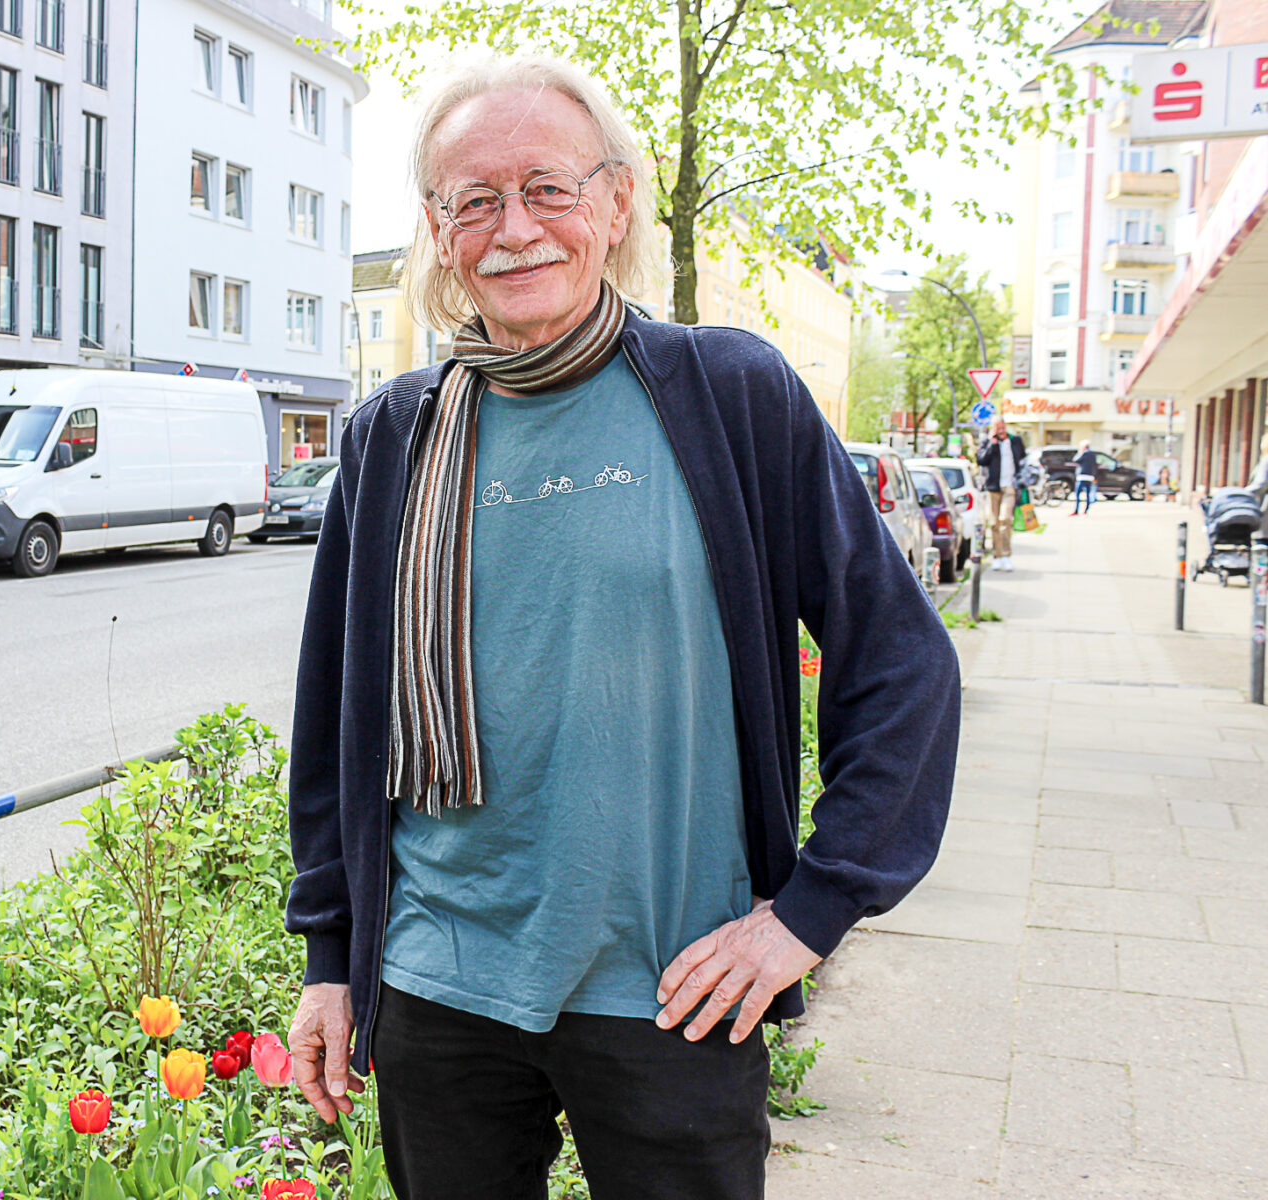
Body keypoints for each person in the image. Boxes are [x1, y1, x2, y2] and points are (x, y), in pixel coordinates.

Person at [283, 56, 960, 1200]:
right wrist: (332, 959)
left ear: (616, 201)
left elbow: (899, 661)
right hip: (440, 984)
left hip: (672, 989)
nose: (514, 228)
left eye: (548, 187)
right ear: (439, 232)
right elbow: (336, 714)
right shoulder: (394, 435)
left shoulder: (728, 392)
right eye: (474, 200)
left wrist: (813, 909)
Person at [976, 418, 1026, 570]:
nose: (1001, 430)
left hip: (1010, 486)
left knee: (1005, 520)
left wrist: (1022, 479)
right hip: (993, 487)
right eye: (998, 427)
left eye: (1003, 427)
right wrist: (992, 444)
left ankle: (1006, 555)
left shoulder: (1015, 441)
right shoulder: (988, 442)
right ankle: (996, 556)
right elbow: (981, 460)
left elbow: (1023, 459)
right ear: (994, 428)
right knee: (994, 523)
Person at [1071, 439, 1099, 516]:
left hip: (1082, 476)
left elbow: (1075, 460)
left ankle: (1076, 510)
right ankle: (1085, 511)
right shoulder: (1093, 455)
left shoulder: (1083, 453)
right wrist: (1095, 477)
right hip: (1090, 477)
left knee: (1077, 494)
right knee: (1088, 494)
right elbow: (1095, 466)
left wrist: (1079, 452)